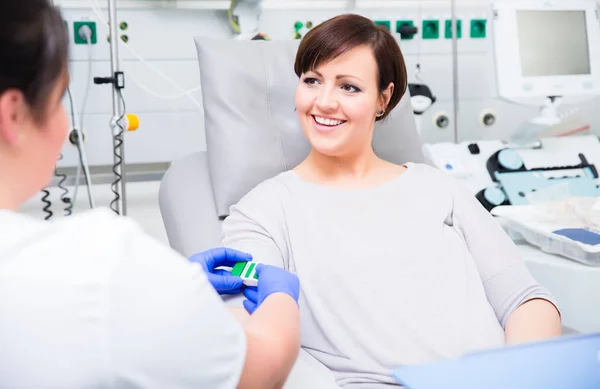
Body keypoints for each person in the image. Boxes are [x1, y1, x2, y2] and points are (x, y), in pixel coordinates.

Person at [215, 13, 562, 388]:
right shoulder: (263, 211)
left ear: (383, 99)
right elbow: (247, 319)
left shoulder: (438, 188)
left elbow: (525, 299)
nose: (325, 102)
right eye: (312, 80)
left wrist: (518, 376)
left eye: (349, 87)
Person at [0, 1, 300, 388]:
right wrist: (281, 298)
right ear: (13, 116)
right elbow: (259, 371)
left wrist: (166, 292)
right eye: (59, 99)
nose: (66, 125)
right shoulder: (100, 266)